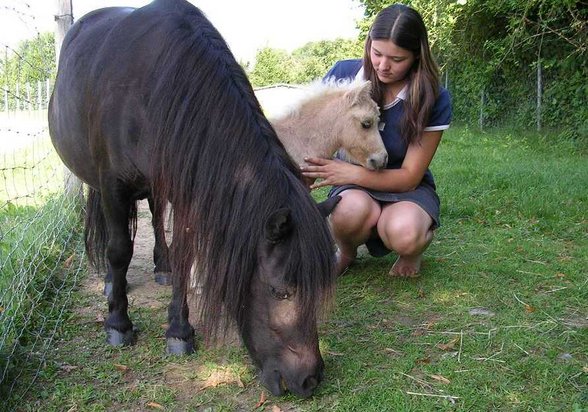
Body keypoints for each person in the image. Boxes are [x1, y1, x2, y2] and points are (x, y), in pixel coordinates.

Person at [301, 4, 452, 278]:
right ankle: (346, 251)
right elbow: (314, 137)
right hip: (352, 187)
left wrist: (348, 171)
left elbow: (409, 177)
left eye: (397, 58)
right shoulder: (343, 76)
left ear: (417, 56)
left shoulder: (434, 97)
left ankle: (412, 248)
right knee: (347, 212)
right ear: (368, 44)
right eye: (377, 53)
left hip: (407, 189)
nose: (383, 65)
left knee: (404, 233)